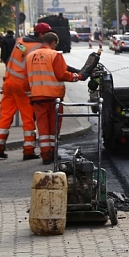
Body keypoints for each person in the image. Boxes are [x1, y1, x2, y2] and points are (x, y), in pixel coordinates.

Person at [0, 22, 51, 160]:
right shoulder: (37, 48)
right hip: (22, 86)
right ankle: (29, 150)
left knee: (5, 116)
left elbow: (20, 53)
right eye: (46, 33)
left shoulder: (21, 41)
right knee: (28, 117)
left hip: (8, 82)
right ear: (41, 34)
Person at [25, 32, 85, 164]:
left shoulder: (30, 56)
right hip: (53, 97)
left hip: (37, 97)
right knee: (54, 127)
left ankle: (45, 154)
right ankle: (52, 151)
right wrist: (78, 76)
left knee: (42, 127)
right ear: (53, 43)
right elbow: (62, 74)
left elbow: (26, 79)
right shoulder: (55, 55)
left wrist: (30, 95)